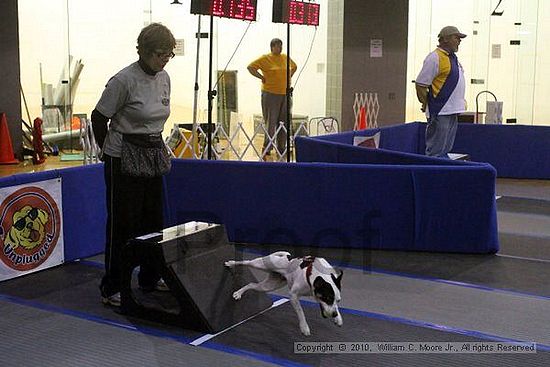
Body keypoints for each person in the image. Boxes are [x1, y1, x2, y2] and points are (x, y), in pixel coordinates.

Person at [91, 23, 176, 307]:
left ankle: (150, 277)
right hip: (122, 156)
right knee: (123, 224)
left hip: (151, 153)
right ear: (144, 52)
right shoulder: (123, 80)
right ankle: (111, 286)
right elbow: (98, 117)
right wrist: (107, 152)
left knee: (153, 220)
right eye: (160, 54)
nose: (165, 60)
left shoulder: (164, 78)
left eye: (169, 54)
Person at [415, 26, 467, 158]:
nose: (459, 41)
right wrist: (426, 102)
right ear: (445, 39)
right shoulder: (434, 58)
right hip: (441, 110)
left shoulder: (452, 59)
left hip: (451, 110)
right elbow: (421, 84)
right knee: (436, 150)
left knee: (445, 148)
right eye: (456, 38)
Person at [248, 38, 297, 160]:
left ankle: (281, 147)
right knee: (271, 121)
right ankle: (267, 147)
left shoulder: (285, 57)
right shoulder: (265, 58)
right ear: (272, 47)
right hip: (270, 94)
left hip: (285, 94)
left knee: (284, 121)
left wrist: (289, 76)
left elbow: (294, 67)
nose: (280, 48)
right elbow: (250, 67)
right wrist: (261, 77)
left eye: (281, 46)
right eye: (278, 46)